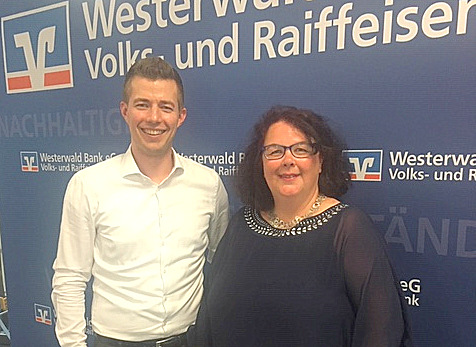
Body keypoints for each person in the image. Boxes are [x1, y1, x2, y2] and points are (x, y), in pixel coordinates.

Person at [190, 105, 412, 346]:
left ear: (321, 161)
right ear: (261, 163)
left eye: (301, 150)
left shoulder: (348, 230)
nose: (288, 160)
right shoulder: (240, 225)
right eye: (275, 151)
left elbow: (381, 331)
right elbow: (208, 321)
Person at [51, 56, 229, 347]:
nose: (154, 118)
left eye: (166, 107)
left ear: (181, 116)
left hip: (192, 339)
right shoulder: (88, 185)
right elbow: (70, 278)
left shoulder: (208, 185)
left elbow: (222, 265)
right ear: (125, 110)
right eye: (142, 104)